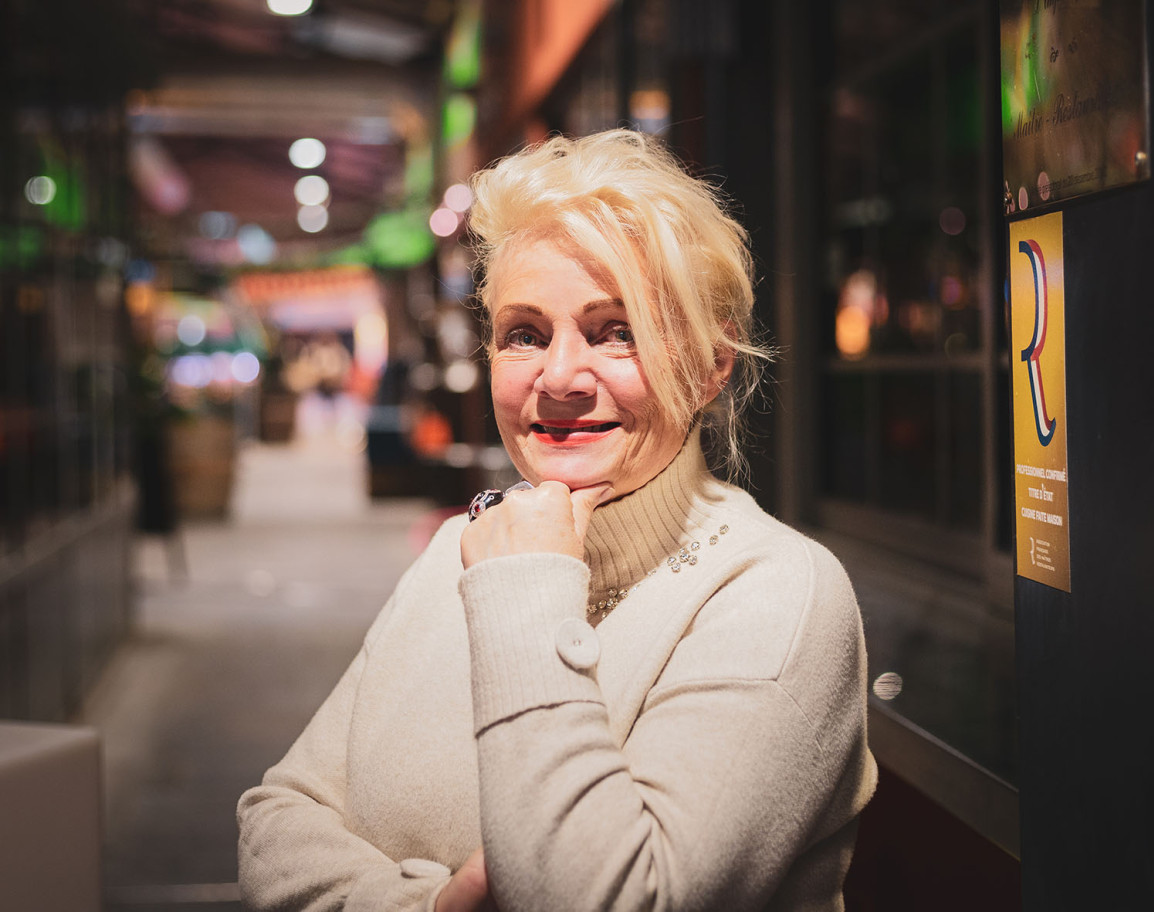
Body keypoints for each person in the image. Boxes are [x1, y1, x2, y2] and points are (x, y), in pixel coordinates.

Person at [237, 129, 877, 912]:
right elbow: (274, 820)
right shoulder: (461, 548)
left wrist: (527, 590)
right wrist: (431, 908)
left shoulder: (778, 591)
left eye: (618, 332)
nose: (560, 377)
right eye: (526, 335)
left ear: (712, 369)